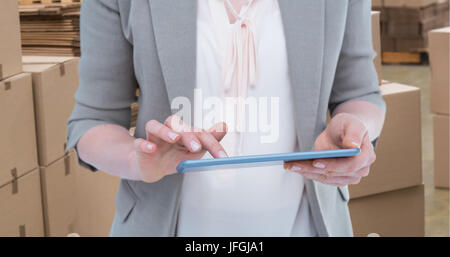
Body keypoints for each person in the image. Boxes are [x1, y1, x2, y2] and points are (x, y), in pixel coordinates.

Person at [67, 0, 386, 237]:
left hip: (303, 225)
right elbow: (92, 120)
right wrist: (139, 160)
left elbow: (360, 94)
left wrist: (356, 131)